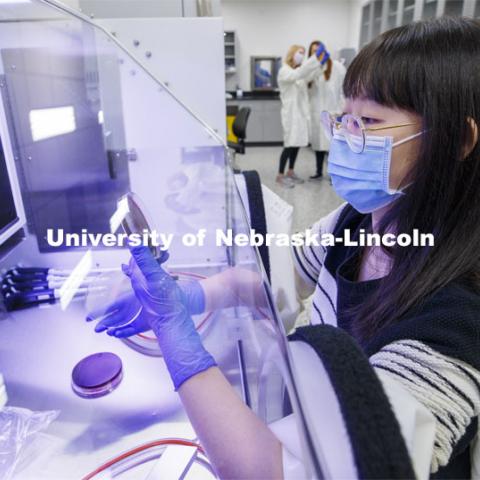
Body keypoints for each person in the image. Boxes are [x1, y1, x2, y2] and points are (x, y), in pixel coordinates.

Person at [89, 17, 480, 479]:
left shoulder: (456, 320)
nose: (345, 140)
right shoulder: (357, 221)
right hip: (307, 414)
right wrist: (191, 297)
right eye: (343, 119)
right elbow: (278, 275)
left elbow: (279, 471)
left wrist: (181, 347)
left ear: (455, 140)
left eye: (369, 122)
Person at [276, 44, 329, 188]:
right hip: (291, 115)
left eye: (303, 53)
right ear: (292, 53)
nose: (301, 55)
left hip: (299, 114)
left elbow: (308, 76)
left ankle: (290, 172)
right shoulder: (284, 71)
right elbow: (299, 74)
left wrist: (320, 65)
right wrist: (314, 60)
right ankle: (280, 175)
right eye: (300, 53)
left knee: (297, 144)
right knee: (289, 145)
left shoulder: (297, 72)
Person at [307, 40, 346, 180]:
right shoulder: (310, 70)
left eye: (318, 50)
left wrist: (342, 110)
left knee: (332, 147)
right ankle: (318, 172)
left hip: (333, 112)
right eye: (313, 51)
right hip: (317, 113)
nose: (316, 53)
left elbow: (343, 90)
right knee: (318, 145)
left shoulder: (337, 67)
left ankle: (333, 175)